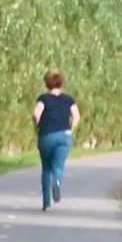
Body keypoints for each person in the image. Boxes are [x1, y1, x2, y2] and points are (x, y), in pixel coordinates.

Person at [33, 70, 78, 211]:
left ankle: (46, 203)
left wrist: (38, 126)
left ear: (47, 84)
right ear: (61, 83)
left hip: (47, 135)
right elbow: (76, 116)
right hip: (64, 135)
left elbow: (36, 114)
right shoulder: (69, 99)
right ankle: (57, 182)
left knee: (46, 169)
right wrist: (70, 129)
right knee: (58, 166)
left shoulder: (43, 99)